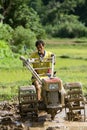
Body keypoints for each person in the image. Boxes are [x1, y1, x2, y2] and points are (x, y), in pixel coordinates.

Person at [30, 40, 66, 107]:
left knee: (58, 84)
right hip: (37, 76)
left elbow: (53, 60)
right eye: (38, 47)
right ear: (36, 48)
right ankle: (39, 101)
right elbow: (30, 61)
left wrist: (54, 57)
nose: (39, 48)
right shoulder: (33, 55)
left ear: (43, 46)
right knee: (38, 87)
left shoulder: (49, 54)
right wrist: (31, 61)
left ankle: (62, 98)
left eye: (41, 47)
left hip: (48, 76)